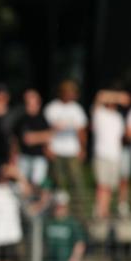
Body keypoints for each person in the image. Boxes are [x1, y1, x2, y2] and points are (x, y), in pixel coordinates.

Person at [44, 80, 88, 215]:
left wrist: (82, 148)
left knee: (77, 182)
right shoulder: (52, 108)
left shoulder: (77, 109)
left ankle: (78, 213)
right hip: (56, 150)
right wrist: (47, 147)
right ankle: (58, 212)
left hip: (72, 151)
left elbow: (81, 131)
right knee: (59, 183)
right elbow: (46, 130)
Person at [91, 89, 131, 219]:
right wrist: (119, 97)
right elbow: (100, 96)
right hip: (102, 154)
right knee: (102, 185)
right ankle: (100, 211)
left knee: (110, 187)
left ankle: (105, 211)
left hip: (115, 155)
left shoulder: (118, 117)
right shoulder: (99, 113)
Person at [42, 191, 86, 261]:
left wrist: (75, 259)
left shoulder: (72, 223)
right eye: (57, 206)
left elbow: (80, 243)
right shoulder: (47, 221)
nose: (59, 209)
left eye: (61, 206)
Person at [13, 88, 50, 188]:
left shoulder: (44, 118)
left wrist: (35, 137)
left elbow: (49, 136)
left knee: (38, 184)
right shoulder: (21, 118)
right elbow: (22, 139)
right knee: (22, 185)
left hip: (39, 157)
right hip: (24, 156)